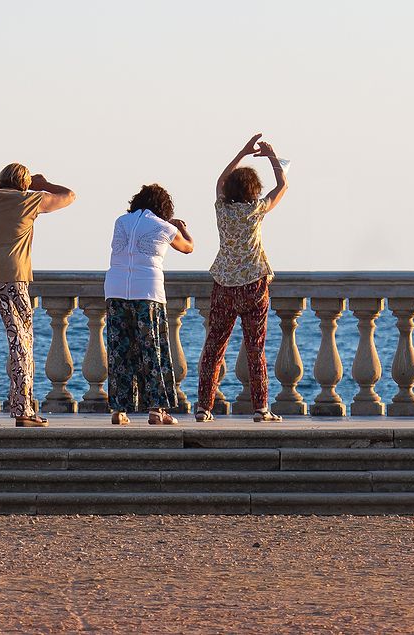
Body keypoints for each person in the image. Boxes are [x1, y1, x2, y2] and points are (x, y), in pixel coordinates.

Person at [0, 163, 75, 427]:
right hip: (11, 276)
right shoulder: (29, 200)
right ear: (24, 184)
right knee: (20, 342)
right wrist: (43, 184)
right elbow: (69, 195)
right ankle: (23, 411)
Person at [196, 134, 286, 423]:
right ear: (252, 190)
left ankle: (203, 408)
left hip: (224, 283)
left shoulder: (222, 210)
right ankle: (261, 408)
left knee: (214, 347)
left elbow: (219, 182)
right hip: (253, 285)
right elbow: (282, 186)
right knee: (255, 347)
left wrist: (243, 152)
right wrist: (273, 157)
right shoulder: (255, 210)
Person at [103, 184, 194, 426]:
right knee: (152, 350)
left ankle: (119, 411)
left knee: (119, 351)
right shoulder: (165, 227)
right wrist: (182, 228)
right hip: (148, 292)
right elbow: (188, 247)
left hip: (115, 289)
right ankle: (156, 410)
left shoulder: (120, 221)